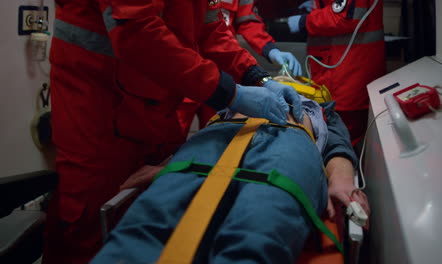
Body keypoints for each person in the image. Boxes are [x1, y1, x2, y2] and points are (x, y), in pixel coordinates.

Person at [43, 1, 304, 263]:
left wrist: (256, 76)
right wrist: (232, 93)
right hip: (98, 116)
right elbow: (136, 31)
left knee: (156, 216)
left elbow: (210, 29)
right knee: (90, 234)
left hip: (156, 111)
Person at [90, 96, 370, 264]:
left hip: (291, 139)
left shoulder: (321, 108)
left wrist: (342, 176)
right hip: (221, 133)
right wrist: (168, 166)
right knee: (151, 221)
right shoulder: (239, 96)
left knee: (259, 227)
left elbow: (338, 146)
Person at [177, 0, 305, 137]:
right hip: (176, 74)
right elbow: (156, 39)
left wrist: (260, 76)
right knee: (168, 136)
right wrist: (236, 94)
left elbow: (214, 33)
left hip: (221, 75)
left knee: (216, 136)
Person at [287, 0, 386, 146]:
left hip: (348, 74)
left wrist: (305, 21)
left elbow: (346, 16)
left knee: (340, 142)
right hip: (341, 71)